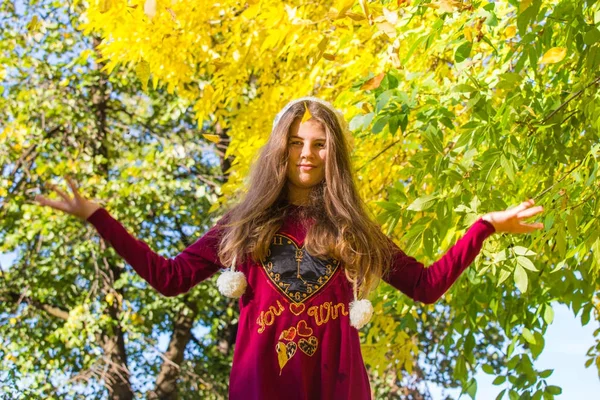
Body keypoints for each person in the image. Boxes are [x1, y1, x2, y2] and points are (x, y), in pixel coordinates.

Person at [34, 96, 544, 399]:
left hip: (337, 388)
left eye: (319, 144)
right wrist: (97, 217)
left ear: (333, 153)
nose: (306, 153)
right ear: (280, 148)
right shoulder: (244, 225)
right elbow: (168, 278)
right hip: (260, 389)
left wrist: (485, 227)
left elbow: (426, 286)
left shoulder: (355, 230)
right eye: (296, 143)